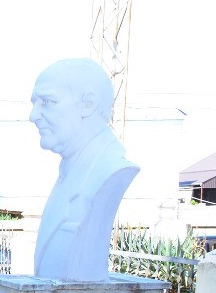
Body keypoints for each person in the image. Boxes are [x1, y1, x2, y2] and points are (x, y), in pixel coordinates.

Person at [30, 58, 140, 281]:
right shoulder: (70, 171)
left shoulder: (108, 171)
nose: (33, 116)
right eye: (35, 104)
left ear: (88, 104)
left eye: (47, 102)